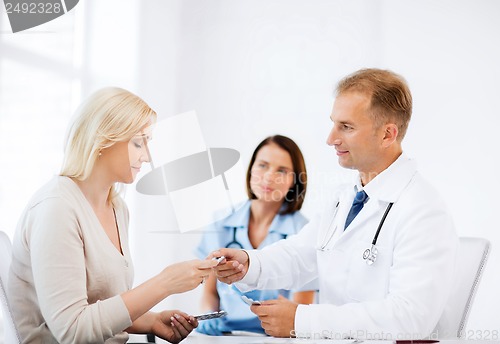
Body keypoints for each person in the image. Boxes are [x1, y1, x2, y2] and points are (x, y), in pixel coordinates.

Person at [209, 68, 459, 339]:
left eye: (346, 127)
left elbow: (411, 318)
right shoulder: (345, 198)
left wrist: (302, 320)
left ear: (388, 134)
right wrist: (249, 264)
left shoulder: (423, 209)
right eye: (334, 123)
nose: (331, 139)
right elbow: (300, 255)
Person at [8, 87, 217, 344]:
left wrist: (152, 320)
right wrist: (165, 283)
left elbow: (102, 307)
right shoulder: (56, 207)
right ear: (103, 141)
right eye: (138, 142)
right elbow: (73, 330)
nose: (147, 156)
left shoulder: (117, 207)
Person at [195, 135, 316, 335]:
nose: (269, 176)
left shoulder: (305, 231)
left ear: (294, 181)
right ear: (251, 169)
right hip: (224, 334)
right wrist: (208, 315)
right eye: (262, 165)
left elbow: (300, 308)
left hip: (278, 337)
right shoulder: (220, 222)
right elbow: (209, 292)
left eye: (282, 171)